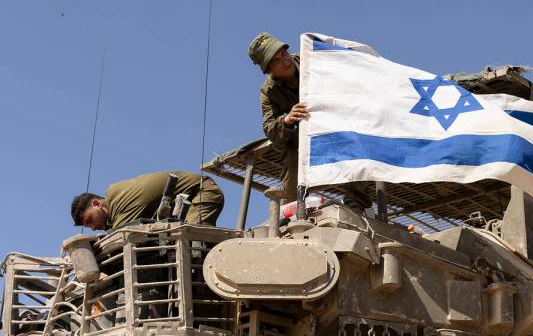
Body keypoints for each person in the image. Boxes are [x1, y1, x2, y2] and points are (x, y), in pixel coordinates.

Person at [248, 32, 371, 210]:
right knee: (291, 149)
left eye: (284, 53)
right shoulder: (269, 92)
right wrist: (287, 120)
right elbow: (270, 129)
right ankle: (294, 207)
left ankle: (356, 206)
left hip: (340, 120)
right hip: (311, 134)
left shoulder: (313, 61)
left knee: (363, 138)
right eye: (277, 61)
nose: (285, 61)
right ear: (269, 70)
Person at [70, 171, 224, 231]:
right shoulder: (115, 208)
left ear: (96, 204)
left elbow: (120, 234)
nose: (93, 228)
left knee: (193, 242)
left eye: (90, 220)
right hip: (187, 200)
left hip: (201, 192)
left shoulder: (118, 200)